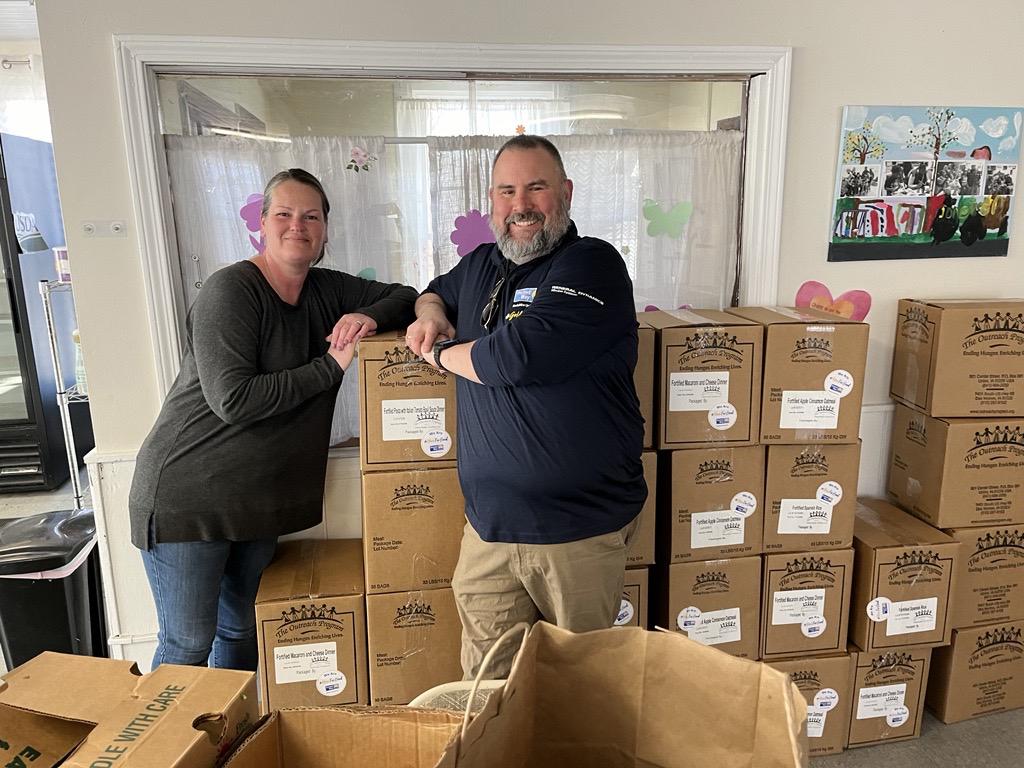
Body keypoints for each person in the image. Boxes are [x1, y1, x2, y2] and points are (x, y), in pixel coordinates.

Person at [129, 168, 417, 670]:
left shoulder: (326, 289)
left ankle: (229, 742)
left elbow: (405, 294)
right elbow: (234, 399)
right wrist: (330, 367)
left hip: (258, 501)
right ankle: (171, 749)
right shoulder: (231, 291)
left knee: (240, 631)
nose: (297, 225)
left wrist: (369, 317)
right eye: (283, 214)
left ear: (325, 229)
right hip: (189, 497)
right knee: (188, 645)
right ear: (262, 224)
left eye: (311, 216)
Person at [405, 135, 646, 679]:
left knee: (579, 689)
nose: (521, 205)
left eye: (536, 187)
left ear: (565, 192)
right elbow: (431, 290)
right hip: (488, 528)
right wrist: (431, 312)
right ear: (492, 201)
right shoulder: (480, 265)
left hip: (577, 530)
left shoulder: (593, 264)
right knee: (486, 690)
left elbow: (516, 357)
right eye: (506, 191)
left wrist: (439, 354)